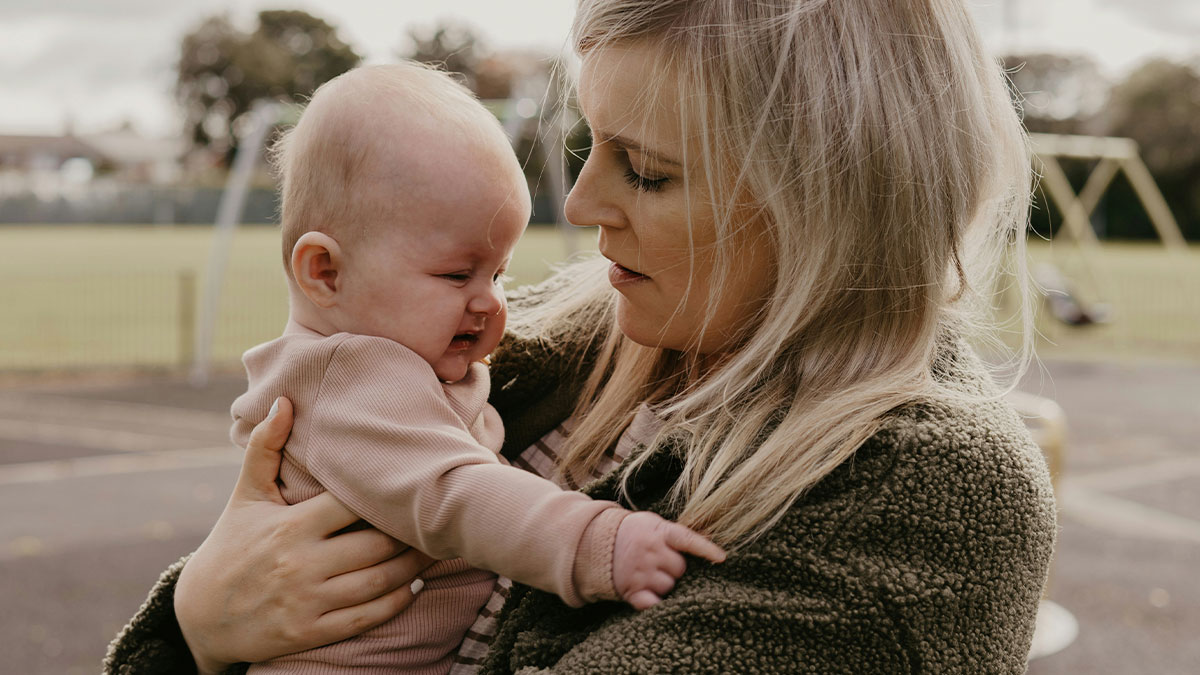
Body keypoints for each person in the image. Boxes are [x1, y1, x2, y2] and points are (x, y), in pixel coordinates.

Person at [105, 1, 1057, 674]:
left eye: (644, 171)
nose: (581, 202)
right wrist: (198, 624)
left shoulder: (927, 489)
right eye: (588, 145)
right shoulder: (581, 338)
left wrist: (214, 631)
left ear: (823, 200)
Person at [203, 62, 725, 675]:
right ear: (326, 272)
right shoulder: (344, 380)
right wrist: (597, 544)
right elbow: (455, 493)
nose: (490, 302)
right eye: (457, 274)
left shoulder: (397, 361)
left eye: (499, 274)